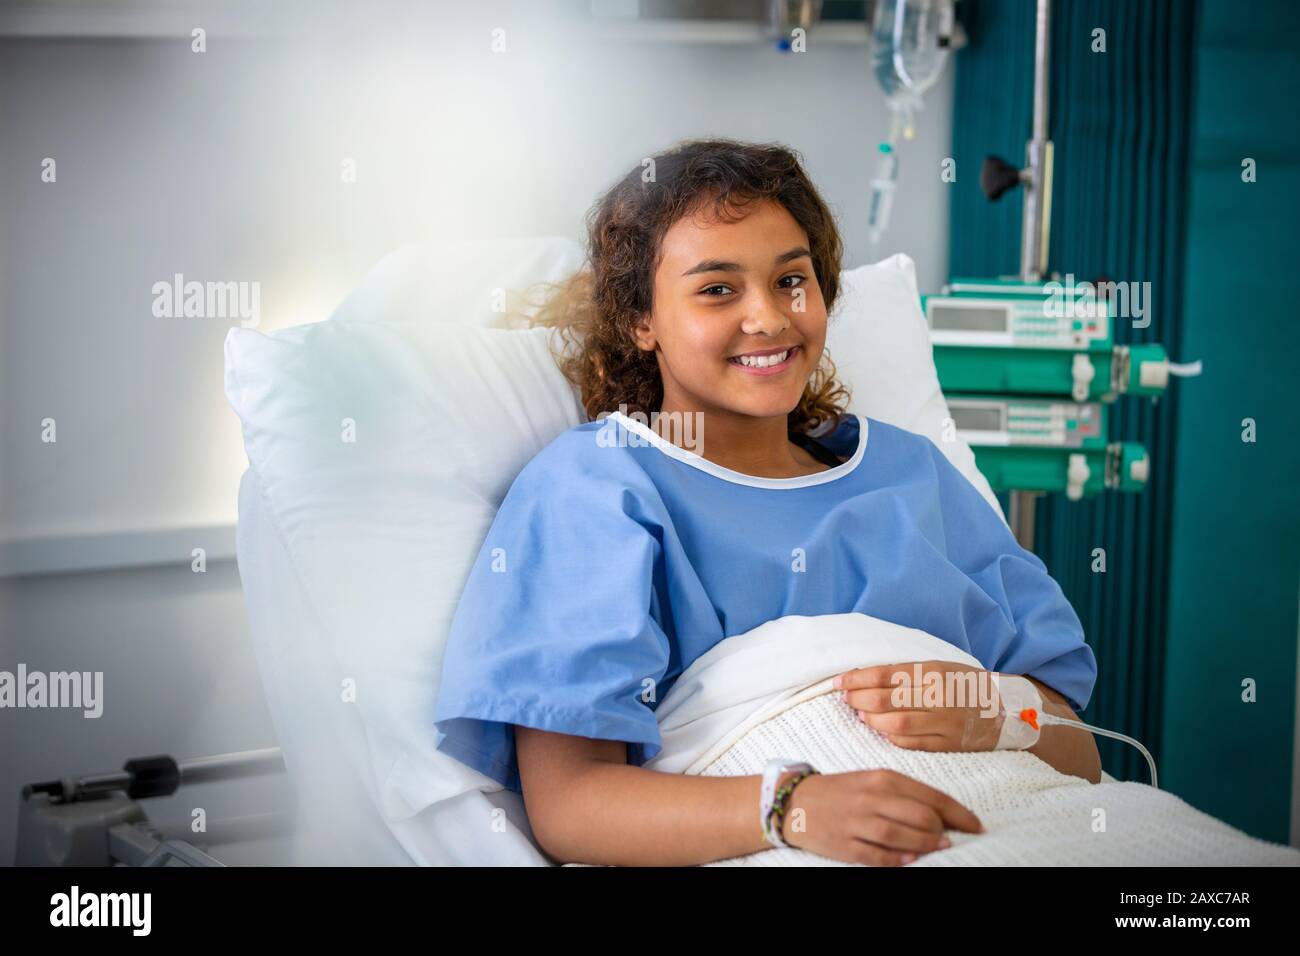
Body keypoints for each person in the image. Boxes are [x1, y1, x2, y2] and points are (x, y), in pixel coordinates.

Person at [433, 138, 1100, 867]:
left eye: (791, 280)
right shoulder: (599, 487)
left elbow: (1080, 750)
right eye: (717, 289)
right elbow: (571, 805)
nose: (771, 318)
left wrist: (990, 717)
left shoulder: (913, 474)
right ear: (640, 321)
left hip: (1020, 820)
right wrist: (793, 806)